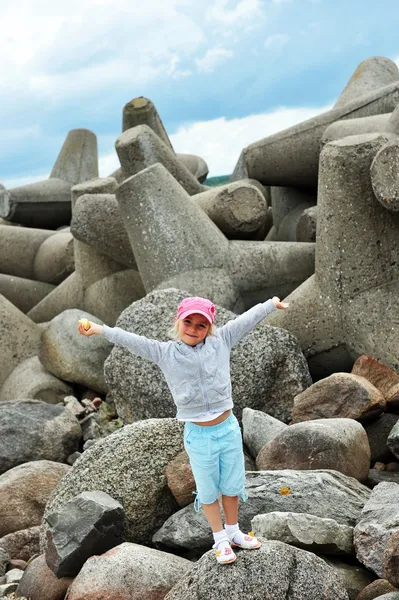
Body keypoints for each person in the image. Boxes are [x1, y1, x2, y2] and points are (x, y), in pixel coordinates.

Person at [78, 295, 288, 564]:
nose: (193, 328)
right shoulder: (165, 353)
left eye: (201, 325)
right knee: (209, 490)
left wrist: (270, 304)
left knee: (232, 486)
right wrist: (99, 329)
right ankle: (219, 539)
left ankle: (234, 532)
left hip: (228, 428)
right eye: (188, 321)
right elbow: (132, 340)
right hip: (199, 435)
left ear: (209, 328)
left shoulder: (221, 341)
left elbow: (245, 321)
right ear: (177, 323)